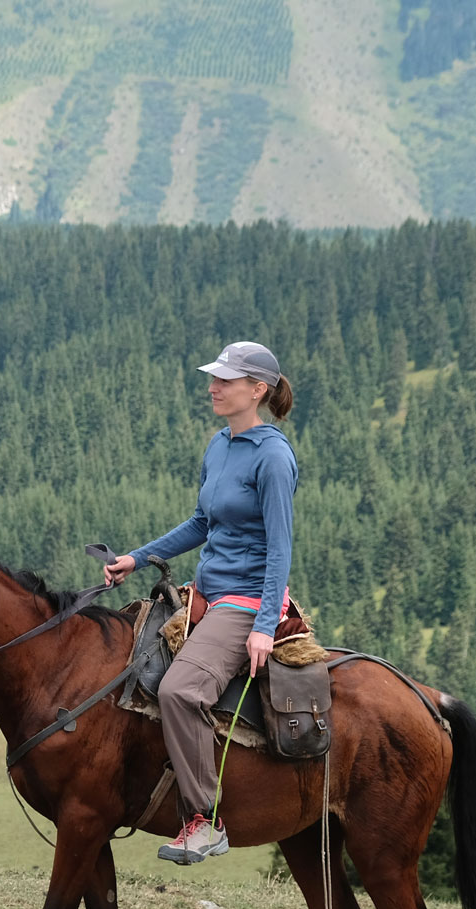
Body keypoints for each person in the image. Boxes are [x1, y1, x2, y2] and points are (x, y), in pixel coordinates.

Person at [104, 341, 298, 865]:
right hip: (207, 594)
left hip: (246, 603)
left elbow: (280, 548)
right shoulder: (219, 444)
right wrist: (137, 559)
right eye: (213, 378)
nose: (213, 386)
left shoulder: (274, 457)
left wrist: (262, 624)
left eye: (226, 380)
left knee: (180, 691)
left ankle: (204, 820)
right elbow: (200, 522)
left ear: (257, 389)